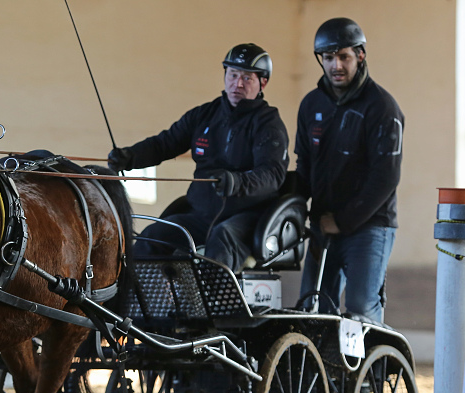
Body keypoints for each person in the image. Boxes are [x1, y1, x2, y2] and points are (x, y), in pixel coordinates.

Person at [108, 44, 289, 273]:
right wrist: (130, 157)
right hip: (200, 216)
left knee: (222, 237)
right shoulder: (204, 114)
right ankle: (138, 305)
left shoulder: (269, 124)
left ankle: (213, 307)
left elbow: (272, 175)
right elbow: (165, 143)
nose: (238, 84)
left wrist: (238, 182)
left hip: (246, 220)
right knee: (153, 237)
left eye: (247, 78)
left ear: (262, 83)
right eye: (232, 75)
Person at [295, 17, 404, 322]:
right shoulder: (310, 105)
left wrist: (342, 222)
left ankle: (371, 370)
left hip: (370, 226)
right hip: (323, 224)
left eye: (344, 56)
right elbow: (303, 165)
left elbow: (386, 176)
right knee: (314, 309)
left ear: (360, 55)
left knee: (360, 309)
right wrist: (291, 210)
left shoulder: (382, 107)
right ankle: (326, 371)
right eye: (329, 58)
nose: (336, 66)